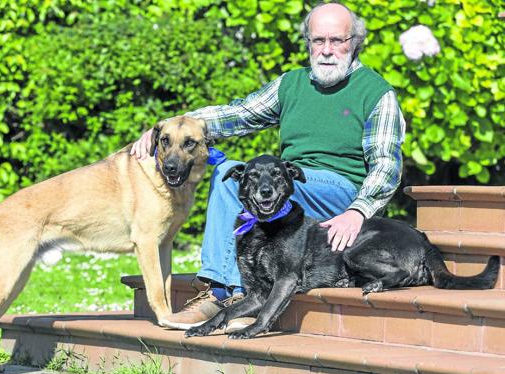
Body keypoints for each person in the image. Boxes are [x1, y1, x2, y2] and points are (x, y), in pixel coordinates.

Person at [130, 1, 405, 330]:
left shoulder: (376, 93)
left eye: (337, 40)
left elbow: (386, 164)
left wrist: (358, 212)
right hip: (287, 185)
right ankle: (222, 290)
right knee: (229, 173)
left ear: (355, 41)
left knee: (258, 183)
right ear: (307, 43)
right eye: (318, 41)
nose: (327, 50)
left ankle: (233, 298)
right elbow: (240, 114)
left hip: (340, 194)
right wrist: (171, 127)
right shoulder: (292, 83)